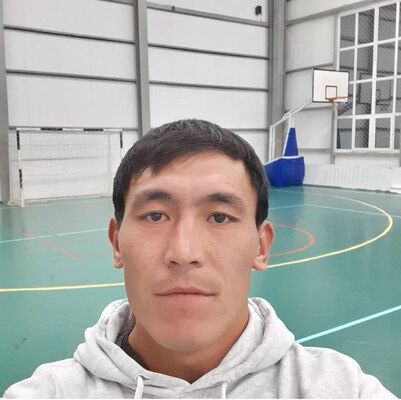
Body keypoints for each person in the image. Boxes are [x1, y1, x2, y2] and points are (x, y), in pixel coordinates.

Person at [3, 119, 396, 398]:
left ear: (261, 247)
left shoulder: (342, 388)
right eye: (155, 215)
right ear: (116, 243)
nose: (183, 253)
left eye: (220, 217)